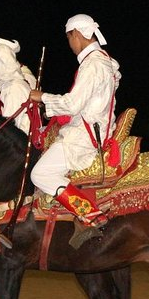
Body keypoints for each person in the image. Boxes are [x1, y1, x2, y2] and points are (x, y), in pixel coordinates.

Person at [29, 14, 121, 245]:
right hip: (88, 129)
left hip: (83, 136)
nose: (69, 44)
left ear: (77, 35)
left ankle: (90, 214)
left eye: (69, 38)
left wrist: (43, 97)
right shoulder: (104, 61)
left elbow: (72, 104)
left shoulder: (94, 64)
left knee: (39, 174)